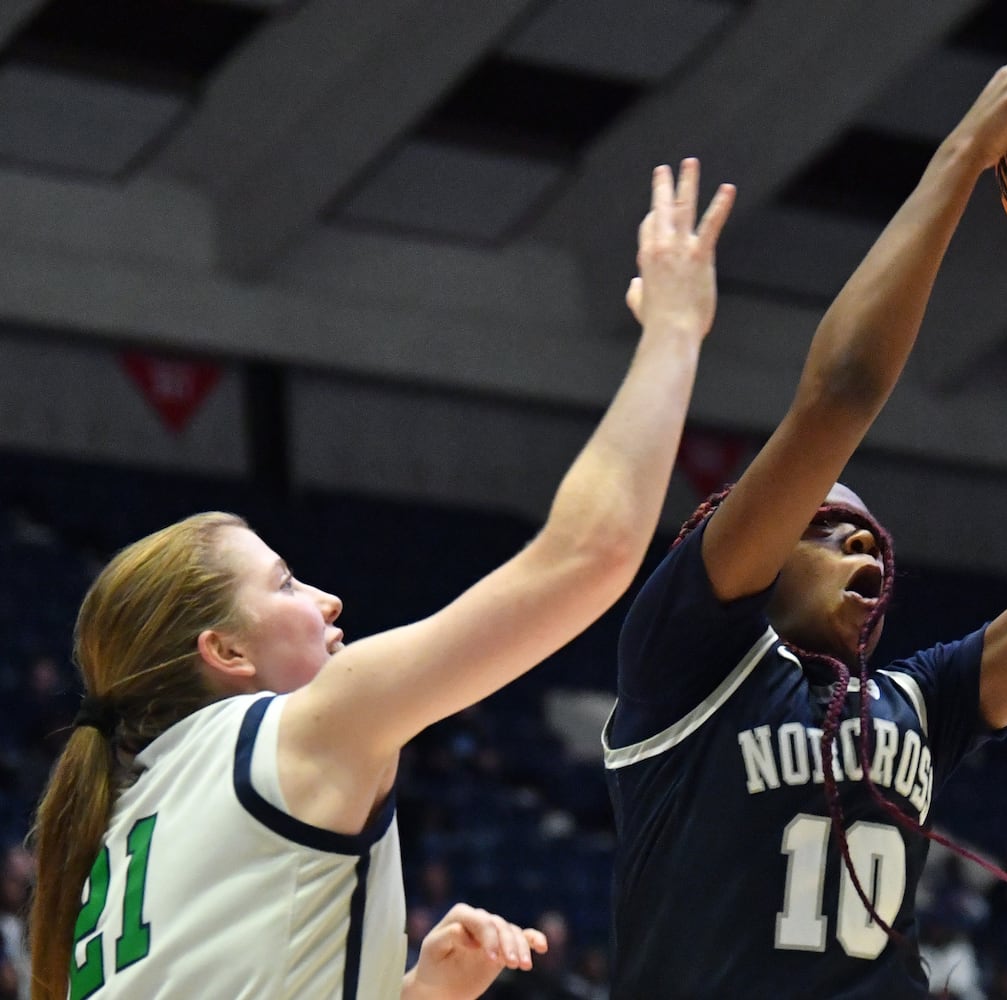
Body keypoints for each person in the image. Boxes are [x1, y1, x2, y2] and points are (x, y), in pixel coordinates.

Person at [603, 17, 1007, 999]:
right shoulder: (686, 663)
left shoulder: (917, 704)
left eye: (873, 543)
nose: (867, 558)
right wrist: (966, 152)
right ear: (735, 539)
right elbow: (843, 394)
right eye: (828, 532)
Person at [25, 160, 736, 1000]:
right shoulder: (293, 734)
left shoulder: (125, 818)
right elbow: (590, 556)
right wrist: (675, 330)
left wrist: (417, 994)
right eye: (285, 584)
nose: (326, 600)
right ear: (223, 649)